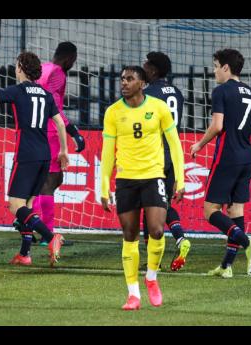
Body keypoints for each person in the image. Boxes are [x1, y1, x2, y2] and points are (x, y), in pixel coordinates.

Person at [0, 51, 69, 266]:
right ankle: (25, 254)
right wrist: (64, 150)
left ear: (20, 68)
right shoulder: (46, 94)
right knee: (27, 206)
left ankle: (50, 237)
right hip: (45, 155)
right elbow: (60, 123)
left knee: (14, 205)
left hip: (26, 154)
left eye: (16, 65)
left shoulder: (18, 91)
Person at [100, 66, 185, 310]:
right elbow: (107, 153)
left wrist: (180, 179)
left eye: (129, 79)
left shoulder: (158, 108)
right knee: (129, 235)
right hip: (126, 180)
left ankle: (151, 278)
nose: (124, 83)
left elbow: (175, 145)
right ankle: (133, 294)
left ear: (142, 83)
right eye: (122, 79)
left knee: (157, 230)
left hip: (154, 176)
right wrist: (104, 187)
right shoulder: (113, 112)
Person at [190, 48, 251, 278]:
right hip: (247, 157)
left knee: (210, 210)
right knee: (235, 211)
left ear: (225, 67)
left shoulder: (221, 91)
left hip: (227, 156)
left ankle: (247, 242)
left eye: (215, 66)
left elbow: (217, 126)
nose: (214, 72)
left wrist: (199, 145)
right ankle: (226, 267)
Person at [30, 42, 85, 247]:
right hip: (51, 131)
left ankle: (29, 222)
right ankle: (47, 234)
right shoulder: (59, 73)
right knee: (51, 181)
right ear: (70, 58)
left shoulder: (42, 68)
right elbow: (53, 105)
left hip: (34, 130)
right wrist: (73, 132)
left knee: (38, 181)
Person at [142, 51, 191, 271]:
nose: (143, 67)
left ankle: (159, 256)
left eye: (146, 64)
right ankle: (179, 240)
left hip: (155, 154)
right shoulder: (177, 93)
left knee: (149, 205)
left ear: (153, 69)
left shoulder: (149, 93)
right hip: (173, 153)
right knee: (163, 205)